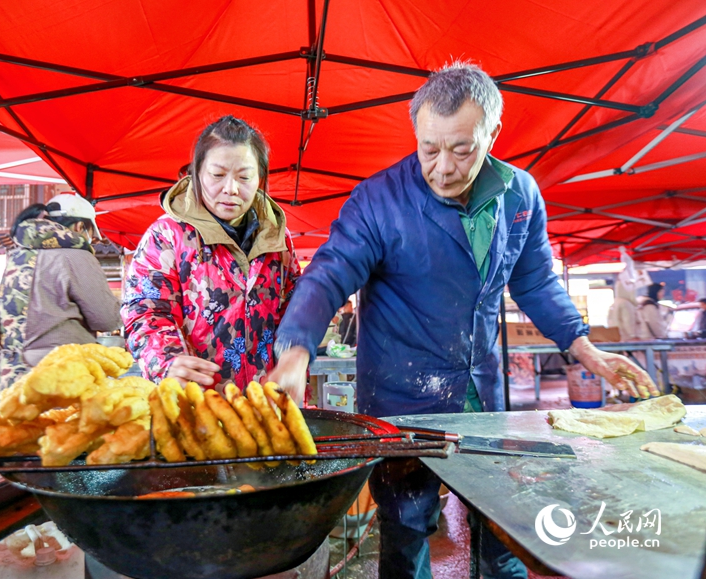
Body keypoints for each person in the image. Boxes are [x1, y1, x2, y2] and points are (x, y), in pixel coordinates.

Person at [267, 62, 659, 579]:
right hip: (401, 400)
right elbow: (329, 273)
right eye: (430, 149)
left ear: (493, 133)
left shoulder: (520, 194)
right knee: (407, 527)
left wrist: (584, 347)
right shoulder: (378, 200)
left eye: (462, 148)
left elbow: (536, 282)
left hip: (483, 394)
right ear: (415, 134)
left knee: (501, 529)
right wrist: (296, 351)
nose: (444, 167)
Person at [123, 115, 301, 390]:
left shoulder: (278, 238)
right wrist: (167, 361)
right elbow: (145, 312)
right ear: (196, 172)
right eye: (217, 175)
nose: (230, 189)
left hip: (270, 401)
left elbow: (295, 306)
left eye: (244, 177)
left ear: (260, 178)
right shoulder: (167, 236)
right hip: (197, 405)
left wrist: (297, 354)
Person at [0, 195, 121, 389]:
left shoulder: (17, 255)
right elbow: (106, 319)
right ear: (80, 227)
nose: (91, 240)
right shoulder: (75, 255)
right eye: (90, 233)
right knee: (62, 421)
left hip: (13, 375)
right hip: (60, 376)